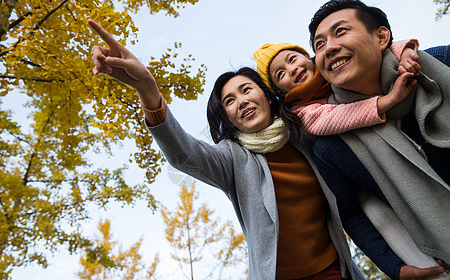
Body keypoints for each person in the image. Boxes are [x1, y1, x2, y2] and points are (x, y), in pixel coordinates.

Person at [87, 19, 363, 280]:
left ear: (267, 96)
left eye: (246, 90)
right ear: (227, 117)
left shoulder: (303, 133)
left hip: (334, 269)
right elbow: (185, 154)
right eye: (229, 101)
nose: (241, 101)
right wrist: (147, 88)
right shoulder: (232, 158)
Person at [308, 0, 450, 279]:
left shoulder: (441, 64)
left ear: (382, 36)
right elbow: (351, 214)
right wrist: (395, 268)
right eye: (319, 45)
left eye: (340, 31)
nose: (329, 48)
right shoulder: (332, 145)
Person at [252, 41, 417, 137]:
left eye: (292, 59)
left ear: (307, 57)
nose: (292, 69)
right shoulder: (300, 111)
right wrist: (389, 100)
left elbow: (367, 52)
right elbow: (335, 118)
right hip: (366, 140)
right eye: (281, 74)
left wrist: (405, 53)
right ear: (280, 92)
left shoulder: (330, 65)